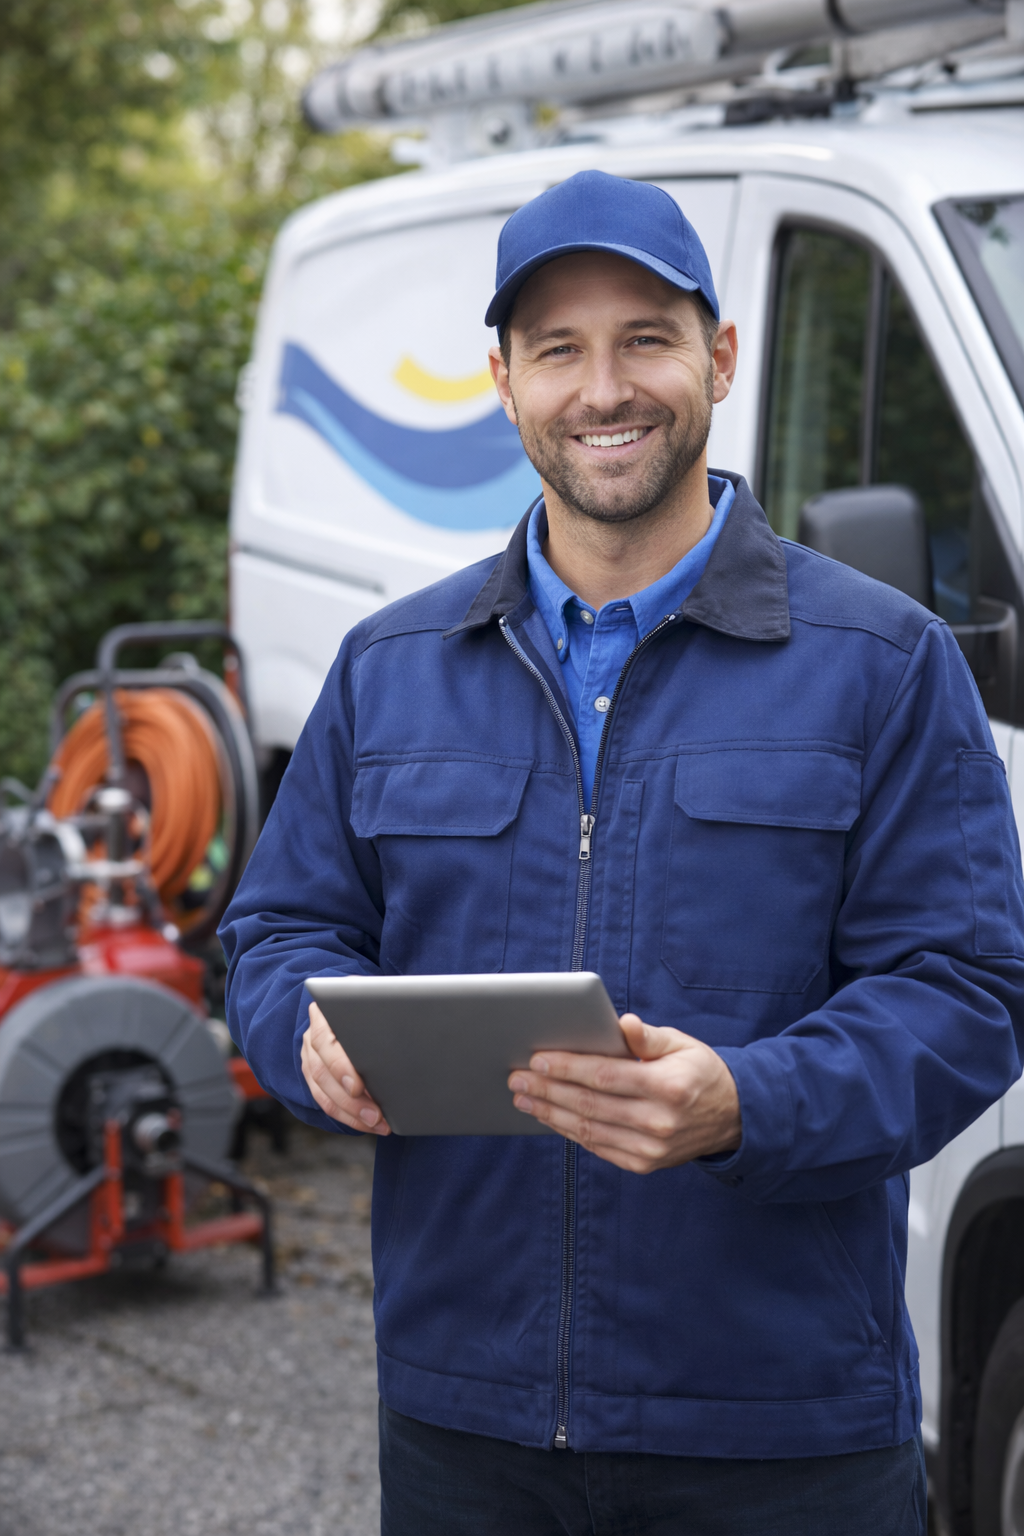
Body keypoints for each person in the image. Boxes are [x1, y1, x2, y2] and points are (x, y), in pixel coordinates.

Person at [219, 170, 1024, 1534]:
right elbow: (278, 933)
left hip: (782, 1430)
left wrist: (749, 1103)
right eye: (559, 349)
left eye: (646, 338)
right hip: (464, 1425)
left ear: (717, 356)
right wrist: (304, 1032)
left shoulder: (881, 665)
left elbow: (965, 993)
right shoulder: (392, 667)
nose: (604, 388)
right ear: (505, 382)